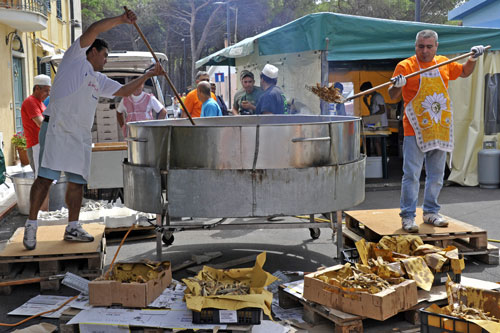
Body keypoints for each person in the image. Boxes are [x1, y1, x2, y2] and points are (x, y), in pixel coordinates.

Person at [23, 8, 165, 250]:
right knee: (45, 179)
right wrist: (121, 20)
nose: (106, 59)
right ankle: (31, 225)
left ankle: (73, 226)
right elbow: (94, 29)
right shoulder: (74, 59)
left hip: (79, 135)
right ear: (92, 51)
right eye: (105, 54)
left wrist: (148, 75)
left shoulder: (98, 79)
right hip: (57, 128)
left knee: (77, 182)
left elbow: (123, 91)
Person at [388, 29, 485, 233]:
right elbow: (392, 95)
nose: (424, 51)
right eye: (421, 46)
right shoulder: (405, 66)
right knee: (412, 175)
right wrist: (398, 85)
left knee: (436, 175)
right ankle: (407, 216)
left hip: (439, 126)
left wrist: (473, 58)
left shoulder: (444, 63)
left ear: (436, 47)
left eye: (429, 46)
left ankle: (431, 212)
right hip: (414, 127)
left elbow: (465, 72)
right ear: (415, 46)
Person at [21, 74, 51, 211]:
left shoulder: (39, 102)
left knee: (45, 180)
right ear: (37, 88)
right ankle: (40, 214)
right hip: (36, 145)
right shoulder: (30, 102)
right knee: (41, 181)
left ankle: (44, 213)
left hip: (42, 145)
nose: (48, 94)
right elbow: (41, 123)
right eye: (46, 90)